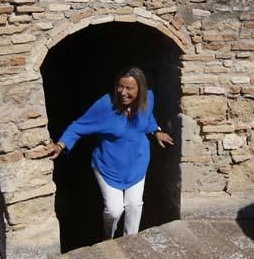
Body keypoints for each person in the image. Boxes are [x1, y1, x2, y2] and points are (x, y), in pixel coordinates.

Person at [44, 66, 174, 239]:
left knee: (134, 205)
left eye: (129, 88)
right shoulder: (106, 105)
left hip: (137, 163)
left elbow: (148, 118)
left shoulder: (148, 98)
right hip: (109, 166)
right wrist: (60, 145)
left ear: (140, 89)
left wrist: (156, 131)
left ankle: (131, 241)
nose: (123, 92)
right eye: (120, 86)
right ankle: (109, 237)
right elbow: (79, 126)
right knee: (114, 210)